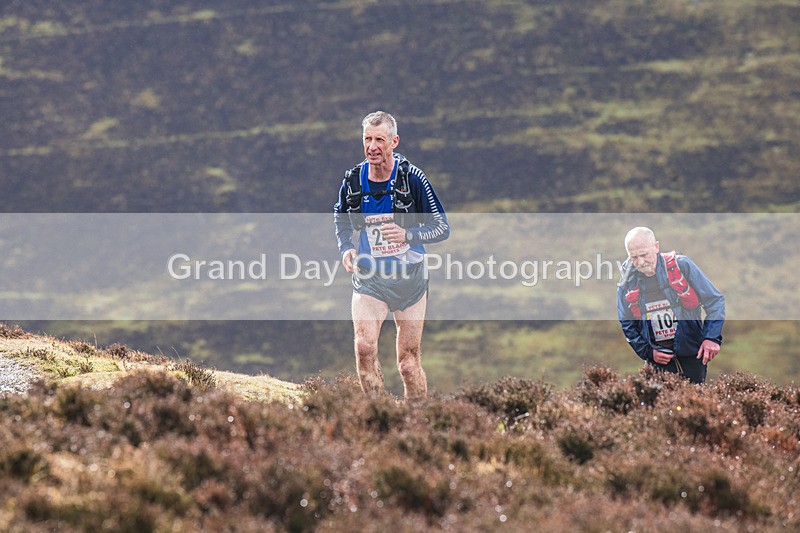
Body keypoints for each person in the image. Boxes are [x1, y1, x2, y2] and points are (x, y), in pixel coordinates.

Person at [333, 111, 450, 399]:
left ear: (394, 142)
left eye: (379, 140)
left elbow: (442, 227)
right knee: (364, 347)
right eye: (367, 139)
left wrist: (408, 235)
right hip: (371, 278)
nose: (372, 147)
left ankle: (417, 422)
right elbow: (341, 217)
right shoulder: (353, 181)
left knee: (408, 364)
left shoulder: (413, 179)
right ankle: (380, 415)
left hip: (410, 280)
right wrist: (346, 247)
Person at [617, 227, 725, 384]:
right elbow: (626, 321)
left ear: (656, 247)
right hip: (657, 361)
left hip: (692, 355)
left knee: (695, 404)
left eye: (644, 255)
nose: (640, 262)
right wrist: (648, 352)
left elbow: (715, 301)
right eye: (634, 257)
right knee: (661, 406)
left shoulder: (682, 266)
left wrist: (711, 338)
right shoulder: (627, 281)